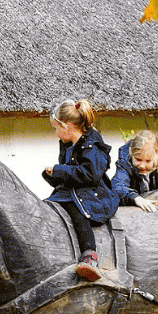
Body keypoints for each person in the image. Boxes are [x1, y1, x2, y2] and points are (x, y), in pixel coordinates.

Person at [42, 99, 117, 281]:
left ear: (67, 126)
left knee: (77, 212)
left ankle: (90, 256)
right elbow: (71, 174)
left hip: (94, 194)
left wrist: (59, 170)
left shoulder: (93, 144)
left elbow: (90, 175)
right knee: (47, 207)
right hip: (72, 190)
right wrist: (52, 175)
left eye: (55, 128)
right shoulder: (67, 145)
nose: (55, 133)